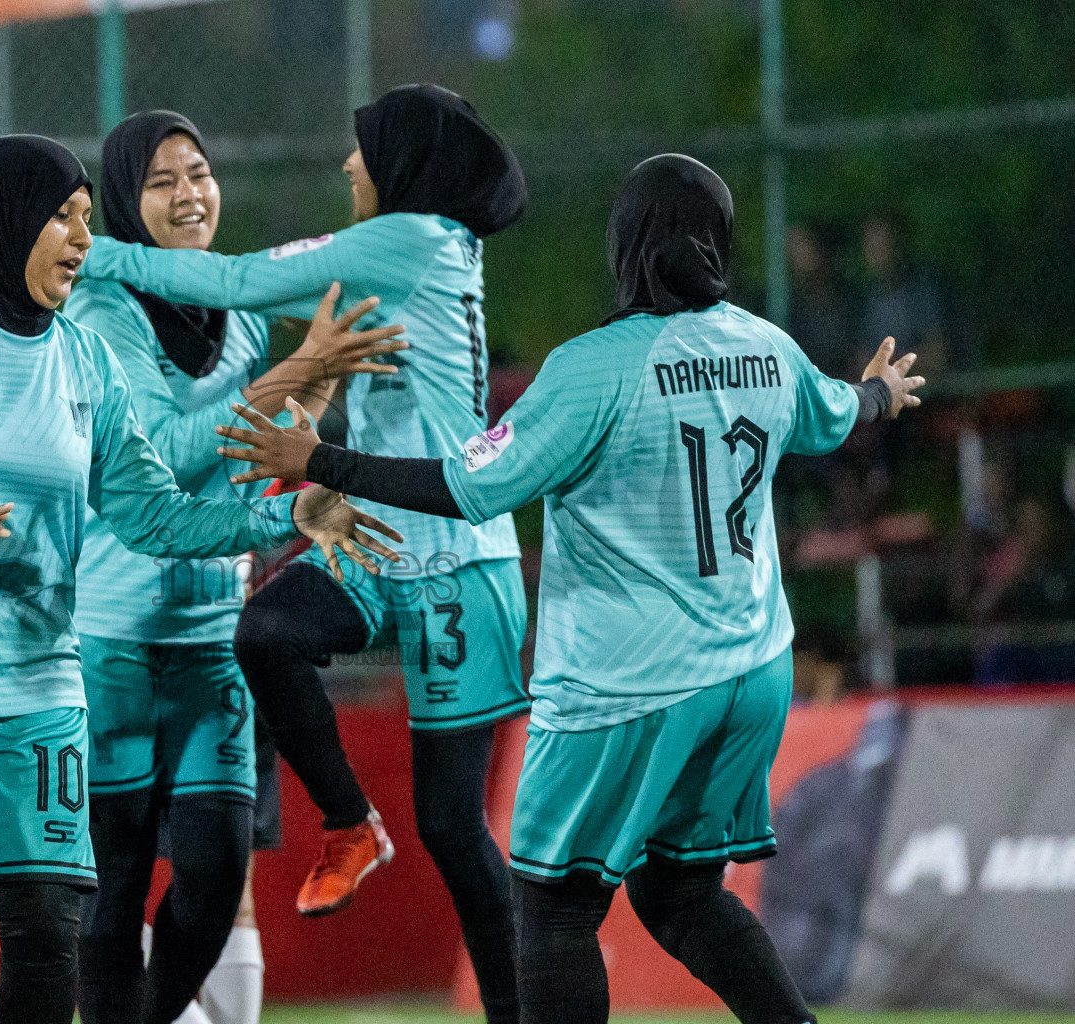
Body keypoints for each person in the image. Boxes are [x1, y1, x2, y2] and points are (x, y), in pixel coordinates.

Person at [213, 153, 925, 1024]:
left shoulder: (593, 367)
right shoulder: (764, 345)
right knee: (679, 892)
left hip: (627, 686)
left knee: (552, 911)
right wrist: (882, 393)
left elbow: (466, 488)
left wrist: (317, 459)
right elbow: (838, 414)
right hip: (752, 671)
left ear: (625, 246)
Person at [0, 135, 400, 1024]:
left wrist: (283, 516)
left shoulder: (83, 360)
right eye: (57, 219)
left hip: (37, 686)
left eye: (80, 217)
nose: (78, 238)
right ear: (0, 223)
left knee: (46, 924)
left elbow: (155, 517)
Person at [77, 82, 530, 1024]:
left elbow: (240, 287)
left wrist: (90, 249)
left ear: (400, 164)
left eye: (361, 150)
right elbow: (185, 446)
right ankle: (349, 824)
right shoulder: (109, 319)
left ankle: (511, 1010)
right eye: (166, 179)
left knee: (452, 826)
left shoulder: (404, 240)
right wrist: (311, 402)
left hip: (451, 548)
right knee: (269, 634)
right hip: (329, 548)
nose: (347, 165)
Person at [66, 111, 405, 1024]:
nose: (190, 195)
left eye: (200, 173)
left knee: (215, 878)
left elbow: (260, 450)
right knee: (114, 888)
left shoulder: (240, 313)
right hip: (113, 641)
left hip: (215, 638)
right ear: (125, 204)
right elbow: (163, 462)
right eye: (163, 181)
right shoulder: (101, 313)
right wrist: (298, 364)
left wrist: (319, 385)